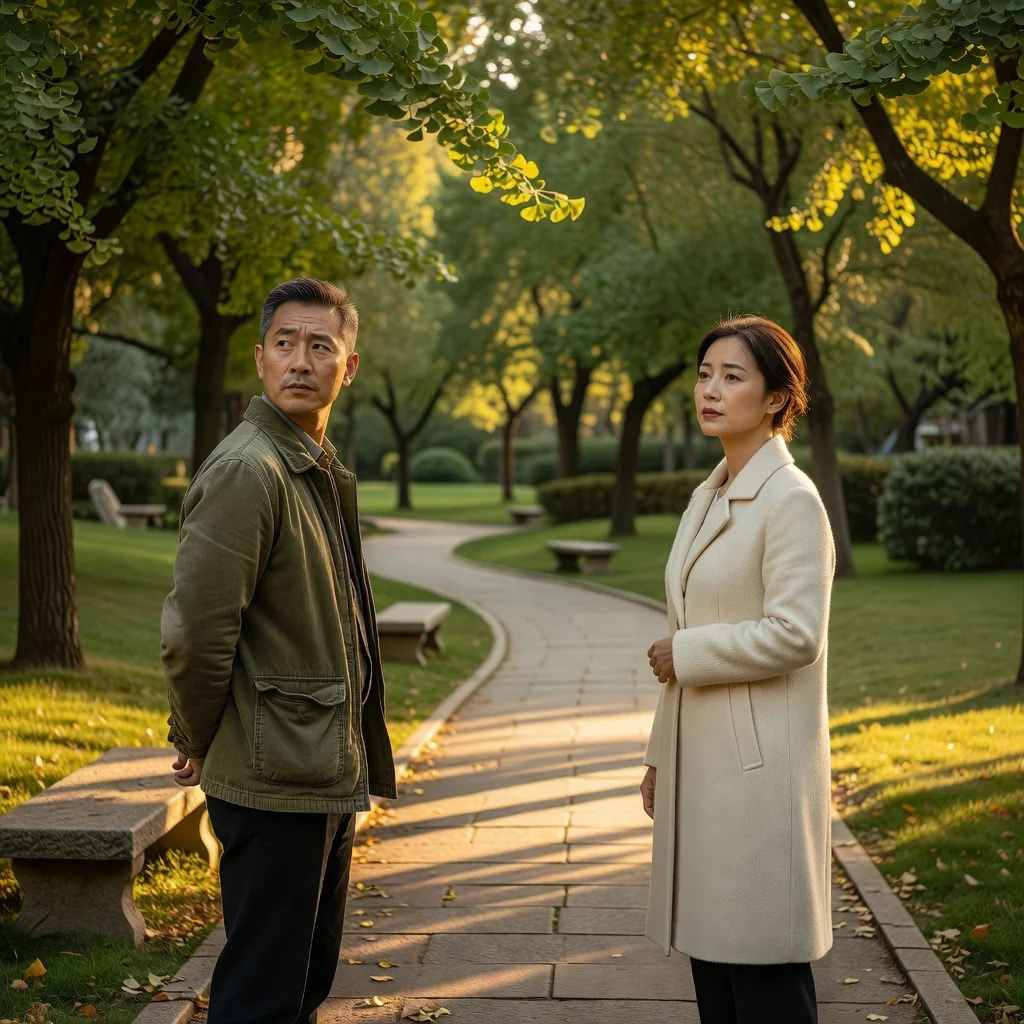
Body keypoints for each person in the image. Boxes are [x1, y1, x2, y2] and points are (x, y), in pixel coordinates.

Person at [161, 277, 395, 1024]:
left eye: (320, 346)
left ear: (347, 367)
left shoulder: (308, 463)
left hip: (318, 766)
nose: (301, 360)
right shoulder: (247, 470)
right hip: (273, 776)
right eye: (285, 344)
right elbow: (195, 635)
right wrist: (195, 736)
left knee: (303, 984)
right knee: (262, 996)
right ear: (260, 359)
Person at [640, 315, 835, 1024]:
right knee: (716, 977)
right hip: (703, 768)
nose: (710, 390)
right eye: (704, 373)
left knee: (765, 981)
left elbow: (797, 634)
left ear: (778, 399)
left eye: (732, 376)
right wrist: (661, 757)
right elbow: (686, 632)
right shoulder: (709, 493)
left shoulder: (792, 501)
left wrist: (686, 655)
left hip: (759, 779)